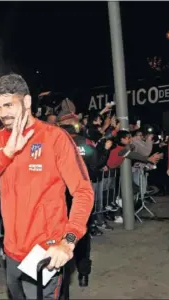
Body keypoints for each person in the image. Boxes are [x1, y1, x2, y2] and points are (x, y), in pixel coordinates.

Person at [0, 74, 94, 299]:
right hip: (12, 252)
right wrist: (7, 153)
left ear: (26, 102)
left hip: (46, 252)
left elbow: (83, 191)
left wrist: (68, 241)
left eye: (9, 105)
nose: (2, 113)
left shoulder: (54, 137)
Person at [57, 109, 109, 287]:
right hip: (82, 196)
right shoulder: (85, 142)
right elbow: (96, 165)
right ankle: (83, 273)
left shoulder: (55, 142)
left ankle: (60, 275)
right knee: (82, 235)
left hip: (60, 198)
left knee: (59, 236)